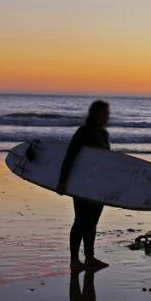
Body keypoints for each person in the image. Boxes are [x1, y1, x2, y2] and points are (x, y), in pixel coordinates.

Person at [58, 100, 111, 271]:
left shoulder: (103, 134)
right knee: (81, 221)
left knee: (92, 222)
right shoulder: (83, 132)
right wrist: (63, 181)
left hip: (98, 184)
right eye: (105, 113)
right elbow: (70, 156)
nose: (107, 116)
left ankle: (89, 258)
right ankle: (74, 260)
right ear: (95, 114)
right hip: (82, 184)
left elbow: (106, 161)